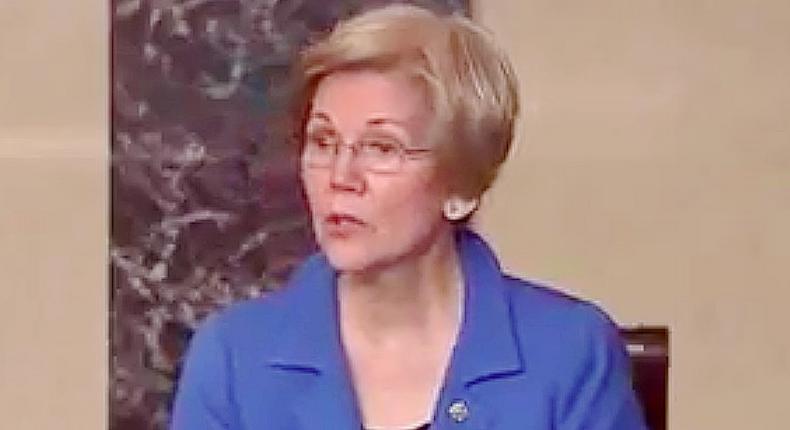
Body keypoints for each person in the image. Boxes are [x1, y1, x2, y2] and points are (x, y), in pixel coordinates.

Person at [170, 4, 647, 429]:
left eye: (381, 147)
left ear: (460, 186)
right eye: (323, 142)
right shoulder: (234, 359)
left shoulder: (570, 355)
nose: (341, 176)